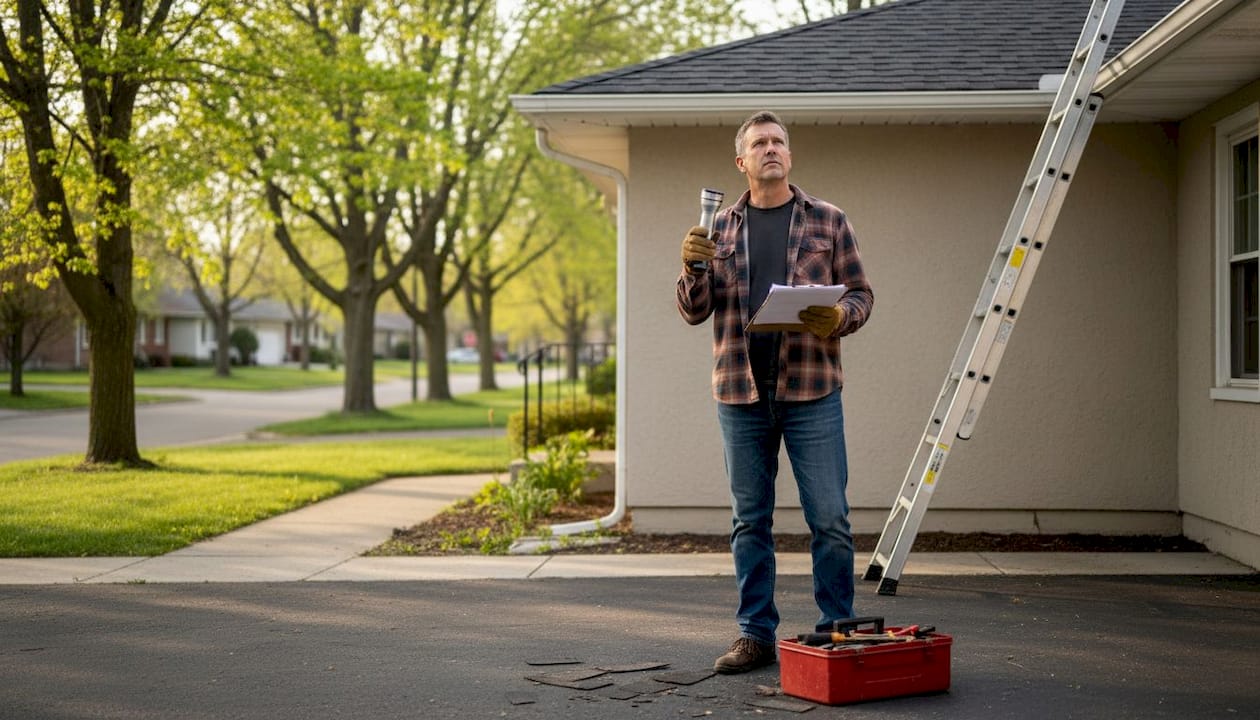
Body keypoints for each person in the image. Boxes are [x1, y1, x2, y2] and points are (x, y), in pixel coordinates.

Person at [675, 110, 874, 674]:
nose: (771, 149)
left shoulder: (829, 221)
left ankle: (837, 630)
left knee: (830, 518)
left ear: (789, 155)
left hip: (812, 390)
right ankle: (755, 635)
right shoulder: (718, 229)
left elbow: (861, 296)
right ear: (742, 161)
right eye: (759, 142)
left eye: (779, 142)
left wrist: (836, 316)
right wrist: (690, 266)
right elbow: (694, 312)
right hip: (740, 393)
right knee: (749, 520)